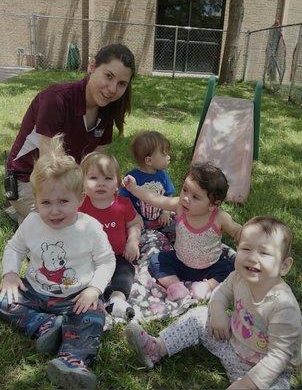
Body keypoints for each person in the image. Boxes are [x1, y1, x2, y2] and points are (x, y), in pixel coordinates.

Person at [125, 216, 302, 390]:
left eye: (264, 252)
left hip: (266, 370)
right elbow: (220, 293)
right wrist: (217, 313)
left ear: (284, 266)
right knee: (200, 316)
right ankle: (156, 349)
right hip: (230, 343)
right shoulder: (238, 277)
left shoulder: (284, 306)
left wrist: (248, 384)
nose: (252, 258)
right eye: (246, 248)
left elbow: (279, 356)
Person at [0, 136, 116, 390]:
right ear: (36, 201)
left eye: (63, 202)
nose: (54, 211)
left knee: (94, 317)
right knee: (4, 299)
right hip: (34, 292)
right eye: (46, 203)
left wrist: (94, 289)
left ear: (80, 199)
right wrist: (9, 274)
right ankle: (44, 326)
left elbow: (107, 260)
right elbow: (15, 247)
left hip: (76, 298)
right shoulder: (31, 222)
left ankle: (72, 361)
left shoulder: (89, 227)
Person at [5, 43, 136, 224]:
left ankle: (26, 213)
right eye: (108, 76)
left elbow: (96, 163)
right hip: (29, 178)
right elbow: (50, 168)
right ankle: (23, 213)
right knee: (63, 228)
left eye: (121, 84)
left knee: (103, 213)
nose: (113, 89)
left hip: (69, 178)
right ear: (91, 67)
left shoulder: (106, 110)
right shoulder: (56, 99)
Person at [123, 162, 241, 301]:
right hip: (180, 262)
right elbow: (157, 199)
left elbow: (238, 232)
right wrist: (135, 189)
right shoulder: (179, 206)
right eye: (185, 190)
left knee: (229, 269)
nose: (186, 198)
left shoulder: (220, 218)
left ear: (213, 205)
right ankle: (176, 286)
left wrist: (250, 236)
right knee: (157, 261)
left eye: (195, 197)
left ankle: (206, 286)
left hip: (211, 266)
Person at [79, 152, 142, 319]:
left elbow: (135, 223)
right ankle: (96, 297)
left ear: (117, 184)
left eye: (108, 178)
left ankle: (117, 300)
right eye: (93, 178)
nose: (101, 183)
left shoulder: (123, 204)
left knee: (126, 271)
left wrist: (133, 241)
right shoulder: (80, 205)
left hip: (117, 256)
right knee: (80, 276)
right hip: (88, 256)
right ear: (82, 183)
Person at [119, 130, 175, 231]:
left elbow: (169, 194)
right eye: (164, 154)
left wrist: (166, 213)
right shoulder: (132, 177)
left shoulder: (163, 174)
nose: (169, 157)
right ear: (149, 160)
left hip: (161, 218)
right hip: (140, 222)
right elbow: (124, 200)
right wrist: (135, 216)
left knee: (179, 225)